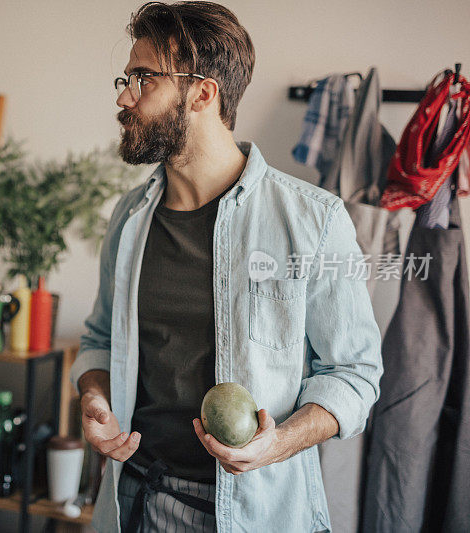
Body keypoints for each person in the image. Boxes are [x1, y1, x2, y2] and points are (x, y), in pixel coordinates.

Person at [69, 2, 384, 532]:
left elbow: (354, 374)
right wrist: (95, 395)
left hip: (254, 515)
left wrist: (278, 443)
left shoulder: (315, 220)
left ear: (203, 91)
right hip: (130, 504)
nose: (124, 96)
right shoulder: (129, 217)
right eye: (126, 78)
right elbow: (99, 338)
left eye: (143, 78)